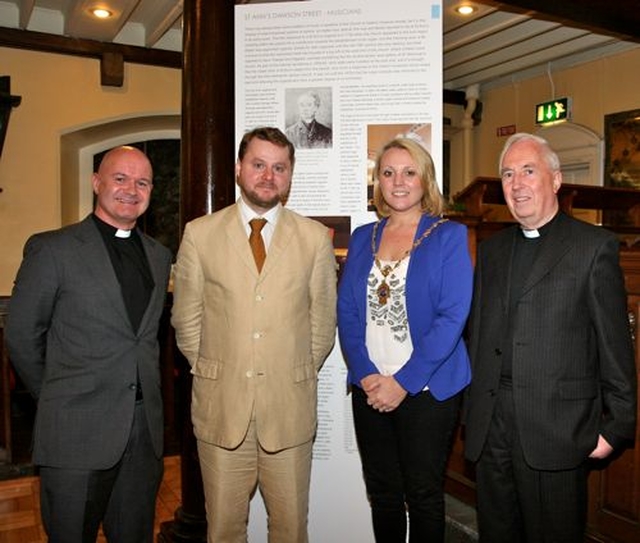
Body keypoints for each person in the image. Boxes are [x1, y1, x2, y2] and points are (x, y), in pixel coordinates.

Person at [464, 132, 638, 543]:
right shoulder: (492, 250)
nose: (517, 184)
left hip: (557, 428)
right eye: (508, 174)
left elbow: (615, 345)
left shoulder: (593, 248)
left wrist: (616, 427)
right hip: (492, 427)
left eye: (528, 171)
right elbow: (478, 337)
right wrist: (471, 414)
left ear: (555, 180)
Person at [171, 126, 337, 542]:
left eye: (278, 167)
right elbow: (186, 321)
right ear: (238, 169)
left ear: (290, 175)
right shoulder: (200, 234)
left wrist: (288, 370)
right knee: (224, 530)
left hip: (289, 412)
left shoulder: (315, 239)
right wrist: (215, 370)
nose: (268, 176)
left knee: (290, 529)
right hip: (223, 411)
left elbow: (322, 326)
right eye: (258, 165)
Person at [6, 145, 173, 543]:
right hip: (74, 432)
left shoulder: (159, 255)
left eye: (142, 182)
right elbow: (22, 334)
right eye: (120, 178)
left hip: (142, 433)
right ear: (96, 182)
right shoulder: (53, 249)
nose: (131, 189)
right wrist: (57, 397)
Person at [337, 136, 473, 542]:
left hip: (428, 389)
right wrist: (365, 375)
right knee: (383, 494)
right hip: (370, 387)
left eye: (409, 172)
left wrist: (403, 383)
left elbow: (452, 316)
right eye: (388, 172)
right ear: (377, 181)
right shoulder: (364, 237)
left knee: (424, 494)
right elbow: (346, 311)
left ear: (425, 179)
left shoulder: (449, 236)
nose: (398, 181)